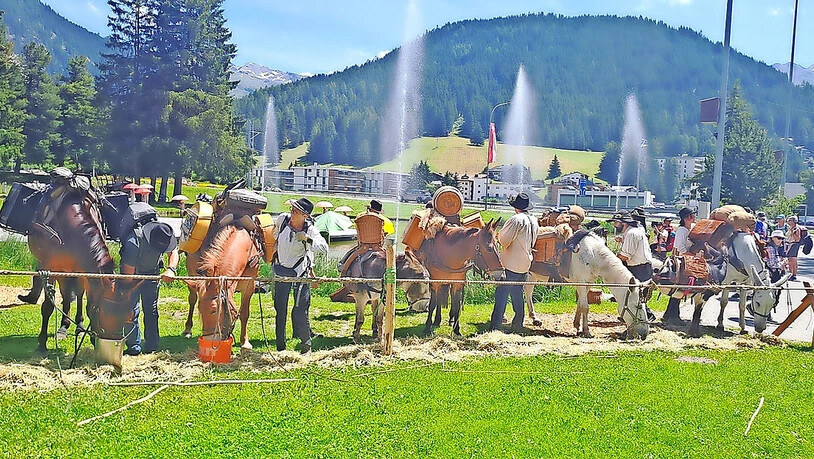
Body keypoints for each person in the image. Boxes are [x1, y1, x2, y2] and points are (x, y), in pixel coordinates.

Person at [273, 198, 328, 354]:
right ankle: (280, 348)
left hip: (300, 272)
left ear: (305, 216)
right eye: (292, 208)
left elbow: (324, 248)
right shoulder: (283, 219)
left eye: (296, 211)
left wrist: (306, 239)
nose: (292, 211)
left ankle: (306, 347)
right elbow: (274, 232)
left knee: (300, 309)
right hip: (281, 270)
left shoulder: (310, 229)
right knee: (280, 309)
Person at [121, 218, 180, 355]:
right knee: (131, 311)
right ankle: (134, 348)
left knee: (151, 311)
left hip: (152, 273)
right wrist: (127, 293)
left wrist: (171, 269)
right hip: (132, 275)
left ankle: (152, 346)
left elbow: (174, 252)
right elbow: (127, 275)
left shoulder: (165, 235)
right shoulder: (134, 242)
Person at [490, 193, 538, 333]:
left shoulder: (516, 220)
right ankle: (518, 323)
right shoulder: (534, 220)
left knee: (501, 294)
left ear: (516, 207)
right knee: (518, 294)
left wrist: (498, 237)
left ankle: (496, 324)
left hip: (511, 263)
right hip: (525, 262)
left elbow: (504, 240)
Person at [663, 207, 696, 322]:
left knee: (682, 288)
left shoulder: (690, 228)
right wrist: (692, 255)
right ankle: (672, 315)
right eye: (693, 214)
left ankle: (670, 314)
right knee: (680, 286)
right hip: (682, 261)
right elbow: (680, 247)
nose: (695, 216)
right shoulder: (682, 230)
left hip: (688, 260)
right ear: (688, 217)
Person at [785, 216, 802, 281]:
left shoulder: (796, 228)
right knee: (789, 260)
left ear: (793, 221)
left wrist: (793, 233)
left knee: (793, 260)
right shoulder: (790, 228)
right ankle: (790, 274)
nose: (788, 221)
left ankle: (794, 275)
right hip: (789, 245)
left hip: (794, 245)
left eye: (790, 220)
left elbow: (797, 239)